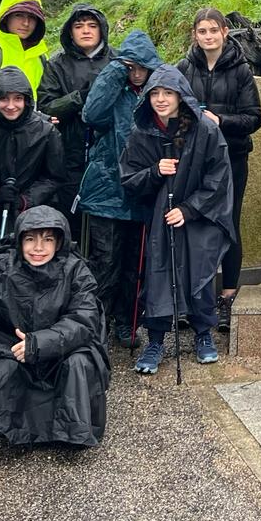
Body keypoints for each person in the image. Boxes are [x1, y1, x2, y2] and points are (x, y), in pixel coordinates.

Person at [0, 204, 109, 448]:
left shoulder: (75, 269)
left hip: (60, 351)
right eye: (30, 239)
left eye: (47, 239)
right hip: (9, 348)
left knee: (80, 363)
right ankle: (8, 426)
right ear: (19, 240)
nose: (38, 248)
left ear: (59, 242)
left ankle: (71, 431)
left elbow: (84, 318)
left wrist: (39, 343)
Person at [119, 64, 236, 372]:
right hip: (158, 218)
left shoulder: (206, 129)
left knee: (198, 272)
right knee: (159, 274)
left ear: (181, 96)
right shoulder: (142, 131)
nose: (160, 99)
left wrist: (189, 209)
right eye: (155, 93)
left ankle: (202, 333)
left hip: (197, 217)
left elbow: (219, 177)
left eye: (167, 93)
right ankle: (155, 339)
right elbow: (129, 179)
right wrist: (155, 172)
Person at [77, 30, 164, 344]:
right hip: (107, 192)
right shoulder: (112, 90)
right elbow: (91, 113)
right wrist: (116, 69)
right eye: (130, 66)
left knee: (135, 265)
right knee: (104, 264)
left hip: (142, 191)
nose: (137, 73)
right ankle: (95, 324)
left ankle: (127, 322)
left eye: (142, 67)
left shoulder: (157, 94)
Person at [180, 8, 261, 330]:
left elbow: (253, 118)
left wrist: (220, 120)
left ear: (225, 32)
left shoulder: (241, 69)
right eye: (202, 31)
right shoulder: (185, 68)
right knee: (193, 221)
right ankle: (193, 298)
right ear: (195, 35)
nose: (208, 37)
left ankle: (228, 296)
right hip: (193, 158)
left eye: (213, 30)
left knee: (229, 222)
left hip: (232, 157)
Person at [37, 3, 115, 239]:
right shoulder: (56, 64)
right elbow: (46, 108)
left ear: (101, 29)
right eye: (79, 26)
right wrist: (78, 97)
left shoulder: (118, 60)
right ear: (70, 32)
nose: (86, 31)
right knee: (70, 220)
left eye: (92, 25)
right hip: (68, 155)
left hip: (109, 155)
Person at [0, 67, 68, 256]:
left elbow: (55, 177)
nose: (11, 106)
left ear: (27, 100)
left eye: (17, 99)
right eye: (4, 99)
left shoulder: (46, 131)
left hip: (30, 211)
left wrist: (25, 200)